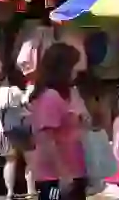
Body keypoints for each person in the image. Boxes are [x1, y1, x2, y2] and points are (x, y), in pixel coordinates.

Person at [27, 43, 87, 200]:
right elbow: (47, 141)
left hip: (74, 172)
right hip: (56, 177)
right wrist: (63, 174)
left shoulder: (69, 94)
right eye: (73, 66)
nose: (78, 70)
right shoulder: (50, 97)